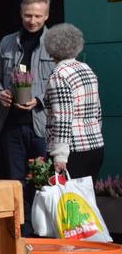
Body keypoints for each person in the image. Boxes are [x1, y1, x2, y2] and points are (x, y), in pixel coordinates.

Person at [0, 0, 55, 233]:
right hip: (12, 124)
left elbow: (62, 83)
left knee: (43, 182)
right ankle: (21, 231)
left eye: (38, 15)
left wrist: (38, 100)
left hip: (42, 125)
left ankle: (45, 232)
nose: (32, 20)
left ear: (46, 16)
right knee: (16, 181)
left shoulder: (54, 43)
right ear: (21, 14)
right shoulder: (7, 42)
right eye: (28, 15)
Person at [43, 24, 103, 177]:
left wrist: (60, 155)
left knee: (69, 201)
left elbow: (62, 117)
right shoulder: (86, 68)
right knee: (87, 199)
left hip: (72, 151)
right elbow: (98, 110)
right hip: (95, 145)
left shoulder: (59, 74)